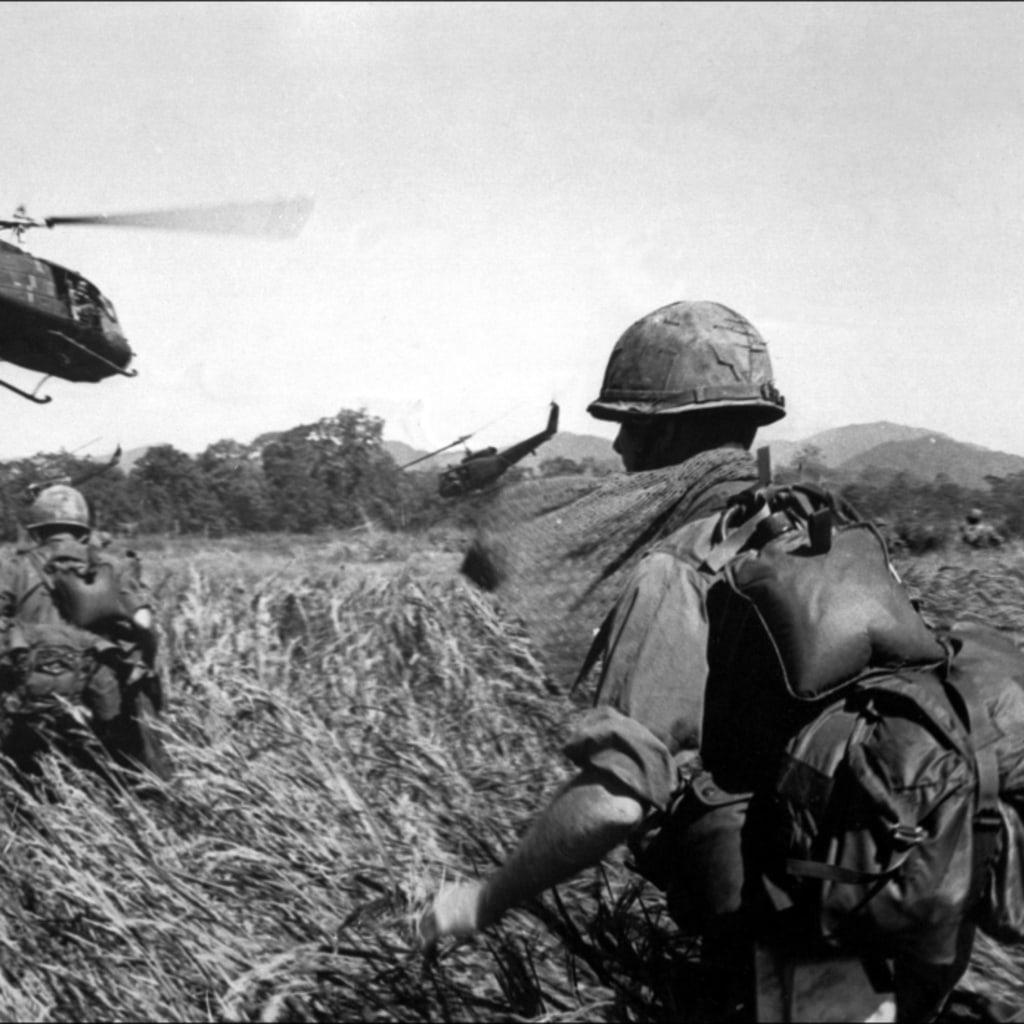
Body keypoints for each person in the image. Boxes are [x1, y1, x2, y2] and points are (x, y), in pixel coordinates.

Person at [419, 301, 789, 1013]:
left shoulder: (681, 566)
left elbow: (617, 802)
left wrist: (481, 901)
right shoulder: (818, 531)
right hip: (908, 893)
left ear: (673, 431)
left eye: (633, 426)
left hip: (787, 938)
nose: (619, 447)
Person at [0, 483, 171, 783]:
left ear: (37, 531)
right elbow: (144, 624)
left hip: (31, 689)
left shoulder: (13, 568)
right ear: (83, 531)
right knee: (131, 763)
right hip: (100, 688)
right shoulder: (111, 566)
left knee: (25, 776)